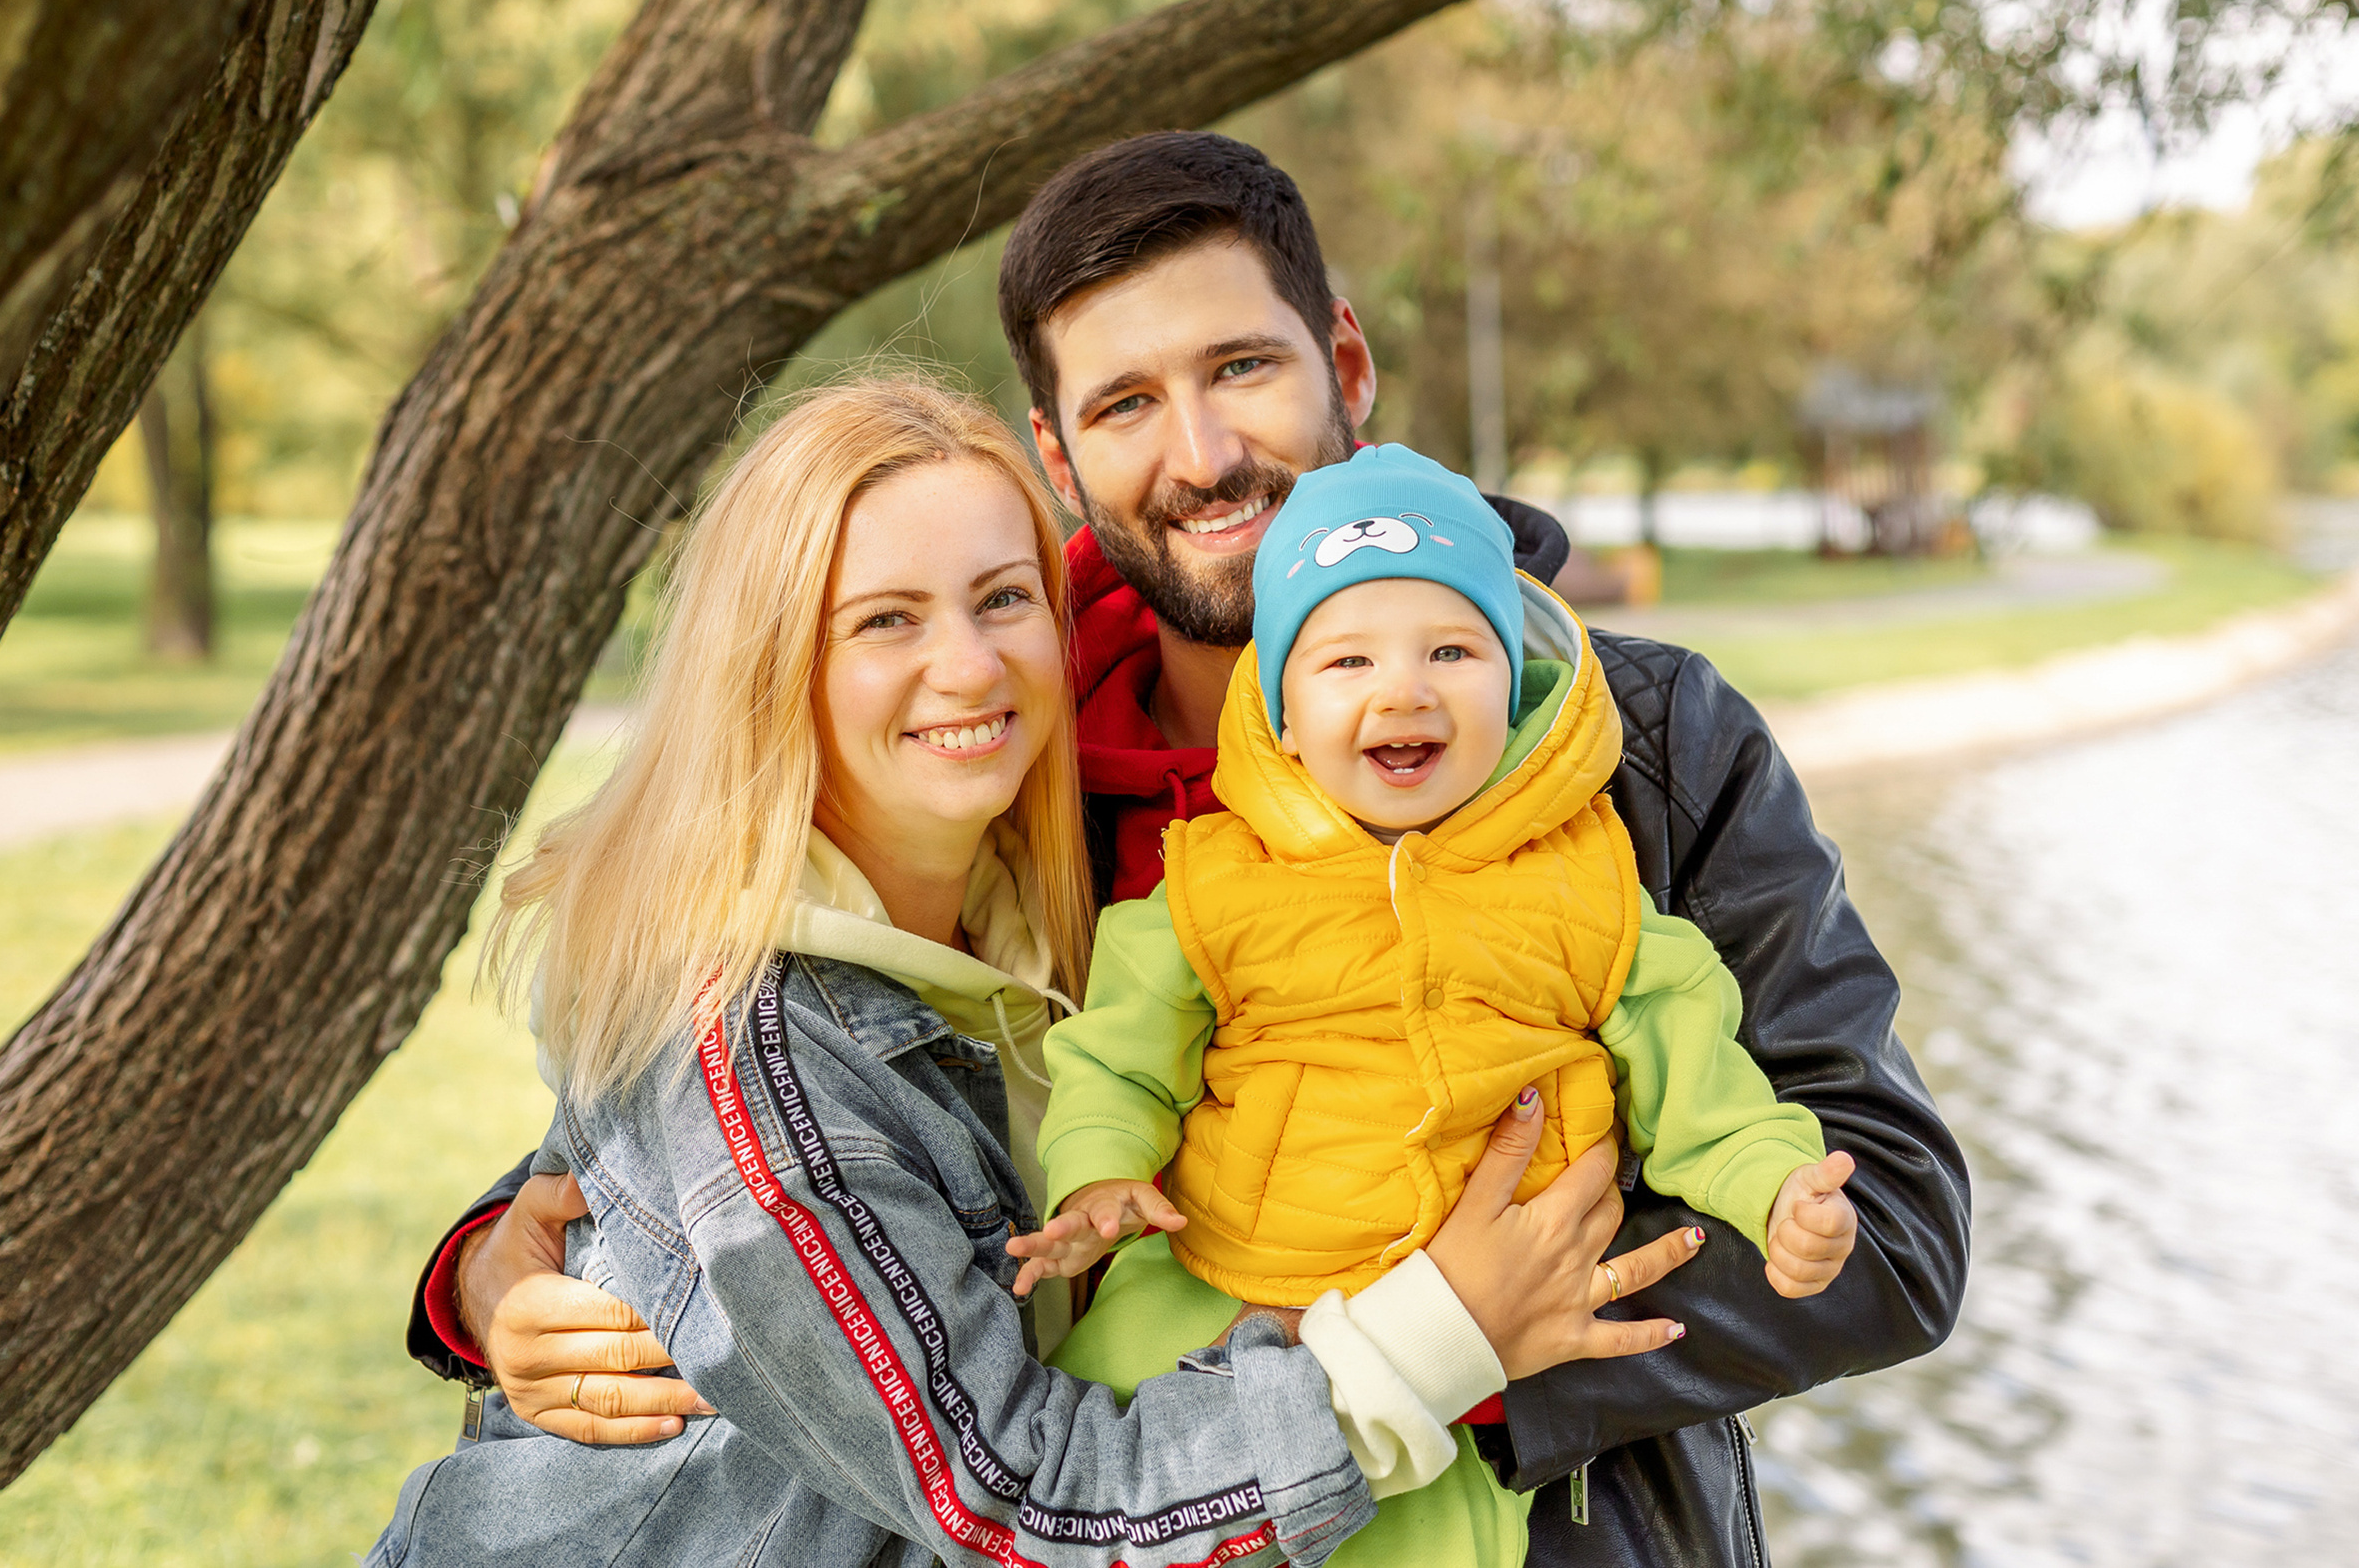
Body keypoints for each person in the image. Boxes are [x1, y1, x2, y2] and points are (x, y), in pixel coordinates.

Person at [409, 133, 1971, 1566]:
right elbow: (747, 1100)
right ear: (1058, 447)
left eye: (1244, 367)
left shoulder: (1639, 738)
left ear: (1342, 357)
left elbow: (1892, 1220)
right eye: (1126, 403)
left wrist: (1474, 1355)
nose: (1205, 451)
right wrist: (491, 1268)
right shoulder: (1014, 760)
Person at [366, 378, 1705, 1567]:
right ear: (770, 664)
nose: (970, 663)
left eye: (1004, 597)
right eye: (884, 618)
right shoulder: (751, 1035)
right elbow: (1024, 1507)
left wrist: (485, 1263)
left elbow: (608, 1178)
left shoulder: (1039, 909)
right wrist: (1438, 1332)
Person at [1008, 445, 1862, 1566]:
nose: (1401, 690)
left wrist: (1775, 1185)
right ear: (1282, 707)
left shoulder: (1588, 879)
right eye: (1346, 660)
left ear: (1509, 683)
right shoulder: (1214, 881)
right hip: (1240, 1298)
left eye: (1451, 651)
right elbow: (1118, 1053)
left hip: (1492, 1368)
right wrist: (1100, 1169)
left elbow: (1695, 1070)